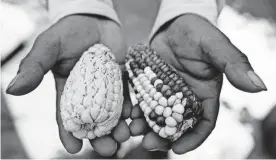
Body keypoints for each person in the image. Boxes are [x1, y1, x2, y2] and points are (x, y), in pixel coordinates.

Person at [6, 0, 267, 157]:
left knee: (141, 140)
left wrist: (188, 6)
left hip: (171, 40)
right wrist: (81, 5)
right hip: (100, 34)